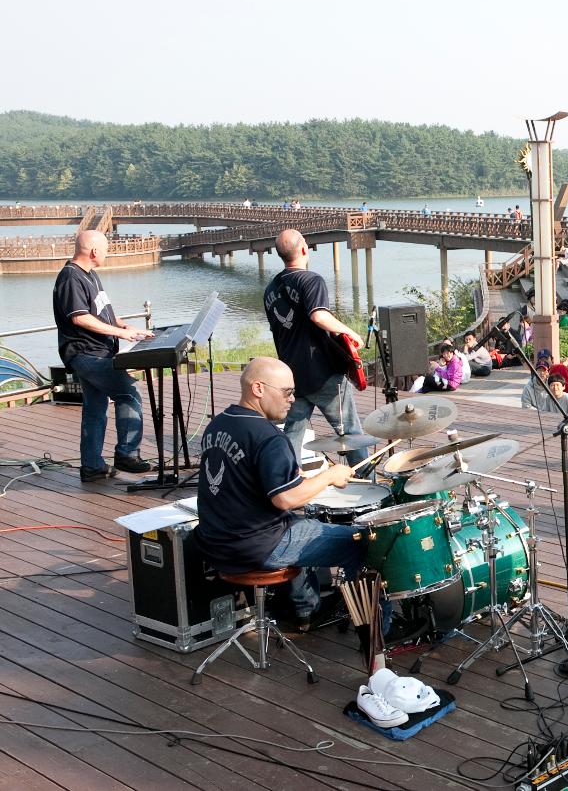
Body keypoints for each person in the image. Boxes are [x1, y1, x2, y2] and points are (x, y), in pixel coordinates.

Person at [193, 358, 378, 631]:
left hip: (215, 541)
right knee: (362, 543)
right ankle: (374, 631)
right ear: (258, 388)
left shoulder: (219, 424)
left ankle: (307, 608)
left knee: (307, 524)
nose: (292, 399)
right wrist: (329, 476)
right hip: (256, 545)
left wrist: (303, 478)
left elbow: (241, 476)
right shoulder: (268, 437)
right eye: (287, 392)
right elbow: (285, 499)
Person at [52, 230, 155, 483]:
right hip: (86, 354)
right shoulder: (70, 277)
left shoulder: (91, 275)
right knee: (128, 393)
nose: (108, 253)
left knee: (95, 409)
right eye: (106, 249)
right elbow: (80, 317)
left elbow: (102, 312)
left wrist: (126, 328)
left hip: (99, 352)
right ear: (94, 251)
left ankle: (92, 467)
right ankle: (127, 454)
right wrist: (120, 334)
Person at [263, 229, 370, 467]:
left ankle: (286, 482)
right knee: (350, 432)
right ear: (303, 249)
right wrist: (350, 332)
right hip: (323, 374)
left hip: (291, 376)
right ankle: (367, 483)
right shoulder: (311, 280)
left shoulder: (270, 289)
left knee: (292, 435)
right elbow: (318, 316)